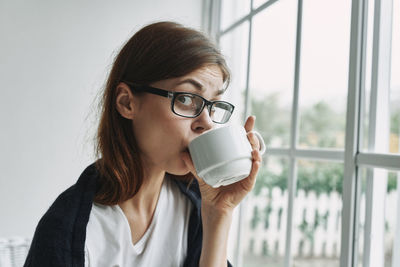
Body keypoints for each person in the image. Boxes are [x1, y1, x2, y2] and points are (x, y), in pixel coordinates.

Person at [24, 21, 263, 267]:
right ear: (127, 102)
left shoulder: (194, 208)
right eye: (186, 98)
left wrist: (218, 214)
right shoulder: (68, 229)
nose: (206, 123)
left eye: (213, 104)